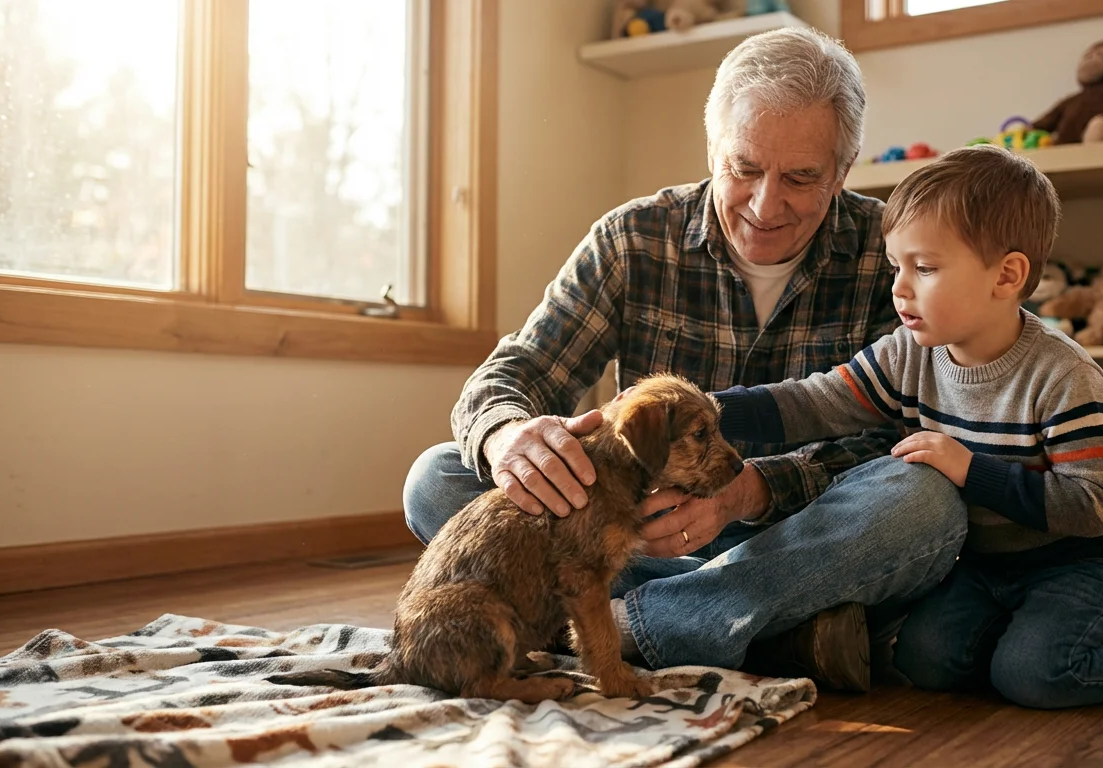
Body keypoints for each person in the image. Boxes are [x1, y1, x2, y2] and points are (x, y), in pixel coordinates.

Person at [402, 26, 968, 692]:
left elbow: (899, 438)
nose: (765, 205)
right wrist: (508, 437)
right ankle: (770, 631)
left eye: (801, 178)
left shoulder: (890, 255)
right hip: (624, 539)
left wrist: (750, 492)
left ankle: (634, 628)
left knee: (924, 501)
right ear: (712, 149)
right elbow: (514, 373)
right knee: (438, 477)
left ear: (843, 172)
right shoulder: (632, 238)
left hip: (794, 537)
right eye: (745, 168)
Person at [712, 143, 1103, 709]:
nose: (899, 288)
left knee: (1036, 676)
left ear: (1006, 276)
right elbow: (817, 402)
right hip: (985, 565)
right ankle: (1014, 645)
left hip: (1082, 563)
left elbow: (1093, 509)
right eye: (896, 267)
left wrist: (970, 469)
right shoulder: (911, 353)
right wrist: (709, 411)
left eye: (923, 269)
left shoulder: (1066, 376)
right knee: (924, 660)